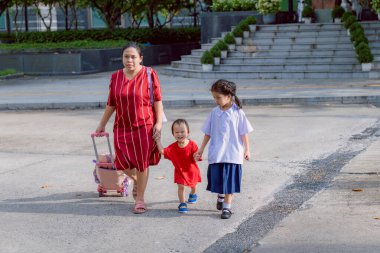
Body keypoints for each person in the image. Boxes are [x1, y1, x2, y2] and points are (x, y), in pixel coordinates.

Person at [95, 42, 164, 214]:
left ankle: (139, 198)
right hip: (122, 126)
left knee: (141, 164)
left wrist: (159, 123)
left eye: (133, 57)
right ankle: (136, 180)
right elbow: (111, 103)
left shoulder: (149, 74)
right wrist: (102, 124)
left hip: (144, 126)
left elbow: (158, 100)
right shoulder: (116, 77)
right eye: (126, 56)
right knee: (121, 163)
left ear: (141, 58)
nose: (129, 60)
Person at [194, 79, 253, 219]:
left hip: (233, 153)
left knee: (230, 181)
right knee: (219, 179)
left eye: (218, 97)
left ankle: (227, 207)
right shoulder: (214, 113)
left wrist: (247, 150)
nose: (216, 100)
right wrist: (201, 149)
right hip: (217, 153)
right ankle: (220, 195)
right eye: (214, 97)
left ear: (228, 96)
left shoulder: (238, 113)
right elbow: (207, 132)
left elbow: (244, 133)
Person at [155, 119, 202, 213]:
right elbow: (162, 151)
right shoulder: (172, 147)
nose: (180, 134)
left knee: (193, 186)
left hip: (192, 171)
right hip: (179, 171)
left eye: (182, 131)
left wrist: (197, 156)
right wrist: (158, 141)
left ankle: (193, 194)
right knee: (181, 187)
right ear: (173, 134)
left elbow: (197, 156)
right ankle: (182, 203)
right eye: (177, 132)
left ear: (188, 132)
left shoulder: (192, 145)